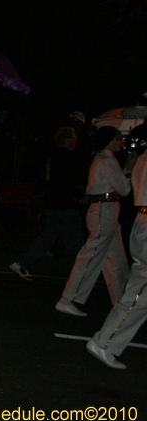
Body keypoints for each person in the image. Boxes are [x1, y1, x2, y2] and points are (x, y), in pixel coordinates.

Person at [56, 126, 135, 316]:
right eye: (117, 138)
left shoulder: (105, 159)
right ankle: (68, 298)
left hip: (107, 210)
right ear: (109, 140)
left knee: (117, 261)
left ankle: (121, 303)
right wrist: (130, 170)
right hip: (103, 211)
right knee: (91, 257)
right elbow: (124, 189)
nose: (120, 142)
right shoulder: (105, 160)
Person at [86, 125, 147, 369]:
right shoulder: (110, 160)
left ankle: (105, 341)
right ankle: (105, 342)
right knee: (139, 292)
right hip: (134, 219)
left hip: (139, 221)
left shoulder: (140, 159)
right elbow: (123, 188)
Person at [9, 127, 86, 279]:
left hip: (54, 202)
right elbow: (66, 181)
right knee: (74, 241)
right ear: (67, 139)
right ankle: (78, 276)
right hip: (65, 203)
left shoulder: (52, 155)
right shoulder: (66, 157)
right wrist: (78, 196)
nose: (76, 141)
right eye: (74, 137)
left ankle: (23, 262)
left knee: (49, 236)